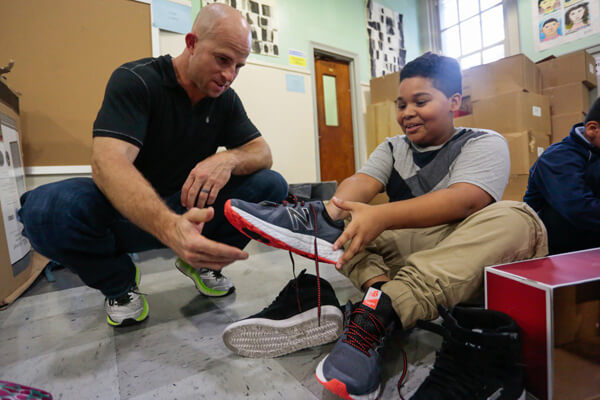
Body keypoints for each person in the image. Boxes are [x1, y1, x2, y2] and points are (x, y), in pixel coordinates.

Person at [224, 52, 547, 400]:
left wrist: (381, 216)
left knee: (518, 218)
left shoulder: (484, 141)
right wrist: (333, 212)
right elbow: (360, 182)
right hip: (406, 256)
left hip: (457, 256)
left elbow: (466, 200)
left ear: (454, 102)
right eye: (401, 104)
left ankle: (376, 307)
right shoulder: (393, 147)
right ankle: (379, 306)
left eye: (420, 101)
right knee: (346, 222)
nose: (407, 113)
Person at [17, 3, 288, 327]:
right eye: (222, 60)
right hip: (126, 215)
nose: (229, 75)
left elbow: (261, 152)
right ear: (191, 43)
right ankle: (119, 284)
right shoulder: (137, 81)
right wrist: (170, 228)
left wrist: (226, 158)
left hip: (188, 209)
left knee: (272, 184)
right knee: (44, 210)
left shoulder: (225, 99)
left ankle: (204, 264)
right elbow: (108, 164)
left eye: (239, 66)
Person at [524, 98, 600, 255]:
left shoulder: (596, 153)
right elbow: (579, 209)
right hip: (556, 252)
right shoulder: (558, 157)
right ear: (592, 129)